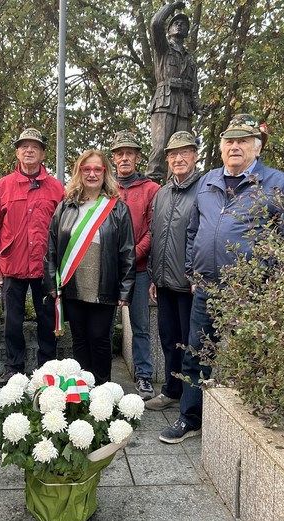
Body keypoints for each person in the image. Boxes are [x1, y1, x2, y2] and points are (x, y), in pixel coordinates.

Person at [159, 114, 284, 443]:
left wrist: (277, 286)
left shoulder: (278, 184)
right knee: (196, 353)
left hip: (252, 292)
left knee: (251, 356)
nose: (235, 146)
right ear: (221, 148)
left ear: (257, 147)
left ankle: (251, 424)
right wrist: (192, 270)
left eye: (242, 141)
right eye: (229, 141)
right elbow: (194, 231)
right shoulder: (209, 181)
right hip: (207, 287)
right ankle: (190, 418)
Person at [45, 150, 135, 385]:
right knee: (79, 339)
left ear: (105, 172)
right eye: (87, 169)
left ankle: (103, 389)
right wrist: (51, 283)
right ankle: (83, 390)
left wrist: (126, 290)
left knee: (99, 338)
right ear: (79, 172)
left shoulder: (118, 209)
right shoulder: (65, 206)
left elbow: (127, 252)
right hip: (73, 284)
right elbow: (52, 247)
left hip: (103, 285)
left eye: (97, 169)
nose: (92, 174)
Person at [0, 128, 65, 388]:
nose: (29, 150)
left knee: (47, 320)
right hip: (12, 265)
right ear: (17, 152)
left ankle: (46, 368)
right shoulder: (3, 185)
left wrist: (61, 268)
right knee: (12, 321)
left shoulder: (55, 188)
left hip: (45, 268)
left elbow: (65, 229)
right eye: (24, 146)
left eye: (35, 146)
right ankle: (13, 367)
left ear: (42, 153)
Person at [145, 131, 203, 412]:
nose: (178, 159)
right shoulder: (162, 193)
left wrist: (198, 274)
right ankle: (171, 390)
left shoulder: (205, 189)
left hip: (189, 283)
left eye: (184, 152)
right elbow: (156, 234)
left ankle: (193, 399)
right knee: (168, 338)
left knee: (191, 344)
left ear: (195, 155)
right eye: (173, 154)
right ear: (167, 159)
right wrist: (154, 276)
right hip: (165, 280)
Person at [110, 130, 160, 400]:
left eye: (130, 153)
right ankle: (100, 376)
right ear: (114, 157)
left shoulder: (152, 189)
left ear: (138, 157)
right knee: (103, 326)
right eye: (120, 153)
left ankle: (143, 377)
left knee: (141, 326)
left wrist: (132, 256)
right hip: (109, 272)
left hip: (139, 270)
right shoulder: (106, 187)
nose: (125, 157)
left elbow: (154, 230)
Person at [146, 1, 202, 181]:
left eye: (184, 24)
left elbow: (194, 89)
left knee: (182, 150)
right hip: (165, 103)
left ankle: (176, 190)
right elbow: (155, 23)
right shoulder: (163, 49)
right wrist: (171, 6)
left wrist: (199, 107)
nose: (180, 25)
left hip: (184, 108)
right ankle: (152, 190)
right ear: (168, 30)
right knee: (160, 147)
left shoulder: (190, 60)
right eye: (176, 23)